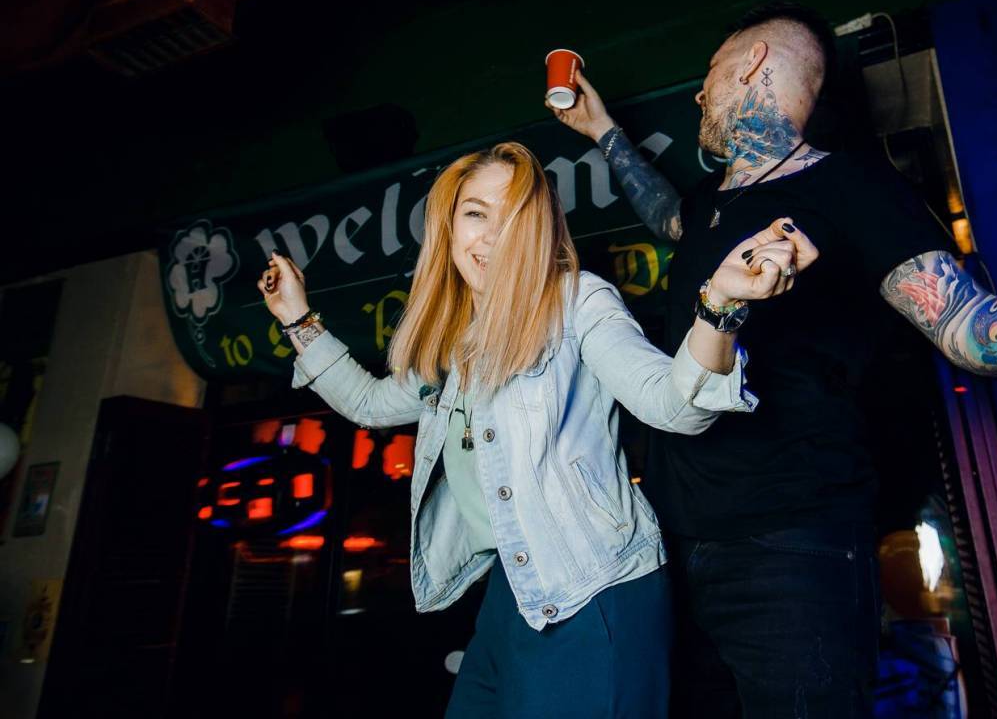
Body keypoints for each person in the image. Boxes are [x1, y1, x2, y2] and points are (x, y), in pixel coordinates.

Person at [550, 2, 997, 717]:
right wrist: (602, 129)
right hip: (674, 545)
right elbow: (668, 216)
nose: (699, 94)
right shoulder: (712, 200)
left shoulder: (854, 188)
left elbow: (973, 332)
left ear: (752, 62)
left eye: (710, 72)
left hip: (790, 548)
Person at [257, 141, 818, 718]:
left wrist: (718, 307)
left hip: (596, 586)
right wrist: (297, 319)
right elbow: (370, 403)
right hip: (514, 587)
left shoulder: (578, 301)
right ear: (448, 226)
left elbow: (674, 406)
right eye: (476, 213)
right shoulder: (455, 340)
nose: (491, 237)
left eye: (514, 217)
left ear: (538, 231)